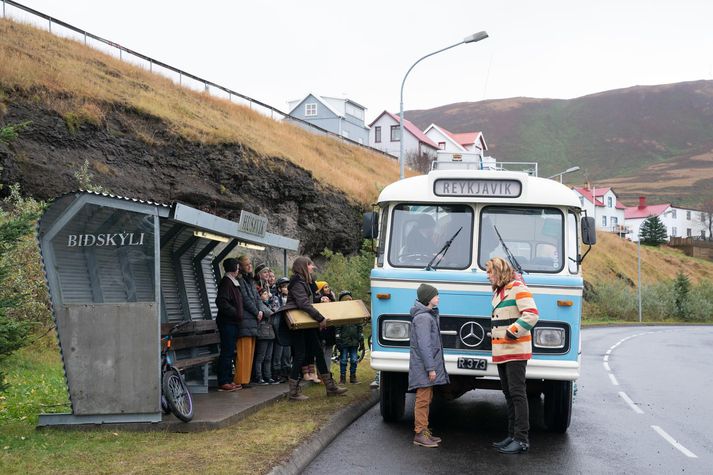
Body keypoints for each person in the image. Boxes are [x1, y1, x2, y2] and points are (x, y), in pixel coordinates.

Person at [486, 257, 539, 455]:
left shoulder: (517, 287)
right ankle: (511, 435)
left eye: (490, 272)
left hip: (515, 350)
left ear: (500, 271)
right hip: (502, 351)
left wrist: (511, 331)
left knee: (517, 394)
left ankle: (522, 439)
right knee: (508, 394)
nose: (488, 276)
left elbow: (532, 314)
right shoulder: (500, 291)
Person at [277, 256, 347, 401]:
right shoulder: (297, 282)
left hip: (306, 322)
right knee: (300, 355)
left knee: (318, 353)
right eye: (310, 265)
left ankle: (330, 387)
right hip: (299, 323)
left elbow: (309, 301)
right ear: (303, 266)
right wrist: (320, 318)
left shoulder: (304, 282)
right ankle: (294, 392)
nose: (312, 267)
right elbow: (303, 303)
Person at [409, 283, 449, 448]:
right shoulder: (423, 318)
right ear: (427, 298)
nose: (438, 297)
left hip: (424, 365)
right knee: (423, 399)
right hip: (423, 366)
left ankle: (424, 431)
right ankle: (419, 433)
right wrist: (431, 368)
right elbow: (424, 345)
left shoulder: (427, 315)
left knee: (427, 397)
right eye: (435, 295)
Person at [234, 255, 270, 388]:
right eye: (246, 264)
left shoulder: (250, 280)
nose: (249, 266)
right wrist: (257, 312)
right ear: (241, 266)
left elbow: (257, 298)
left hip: (252, 321)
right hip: (245, 321)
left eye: (250, 264)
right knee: (244, 352)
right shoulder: (241, 280)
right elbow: (245, 299)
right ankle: (241, 380)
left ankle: (246, 379)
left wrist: (262, 311)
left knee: (250, 352)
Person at [214, 258, 243, 392]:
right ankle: (223, 380)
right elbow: (221, 302)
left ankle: (229, 379)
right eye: (237, 267)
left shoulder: (232, 282)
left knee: (230, 351)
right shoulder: (226, 283)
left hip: (232, 322)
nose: (239, 269)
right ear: (234, 268)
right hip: (227, 322)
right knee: (227, 351)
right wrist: (235, 312)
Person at [335, 290, 364, 384]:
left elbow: (359, 327)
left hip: (354, 341)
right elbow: (337, 328)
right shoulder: (340, 314)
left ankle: (353, 377)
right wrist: (338, 339)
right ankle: (342, 378)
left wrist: (361, 339)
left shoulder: (356, 313)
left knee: (354, 360)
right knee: (343, 360)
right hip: (344, 341)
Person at [253, 288, 277, 385]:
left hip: (270, 333)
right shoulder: (259, 304)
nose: (267, 295)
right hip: (263, 333)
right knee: (260, 357)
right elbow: (270, 313)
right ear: (260, 295)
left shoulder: (268, 304)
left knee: (268, 357)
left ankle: (268, 376)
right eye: (265, 293)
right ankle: (259, 377)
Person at [271, 276, 291, 383]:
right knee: (278, 352)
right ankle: (277, 373)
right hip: (279, 327)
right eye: (284, 286)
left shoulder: (291, 299)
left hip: (288, 328)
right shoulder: (275, 298)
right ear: (279, 288)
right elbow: (275, 309)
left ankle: (287, 371)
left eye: (288, 286)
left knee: (287, 352)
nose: (286, 288)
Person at [315, 281, 337, 375]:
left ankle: (326, 373)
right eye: (325, 287)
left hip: (330, 329)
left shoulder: (331, 298)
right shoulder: (322, 299)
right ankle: (322, 373)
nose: (328, 289)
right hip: (323, 329)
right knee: (322, 353)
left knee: (328, 353)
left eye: (328, 287)